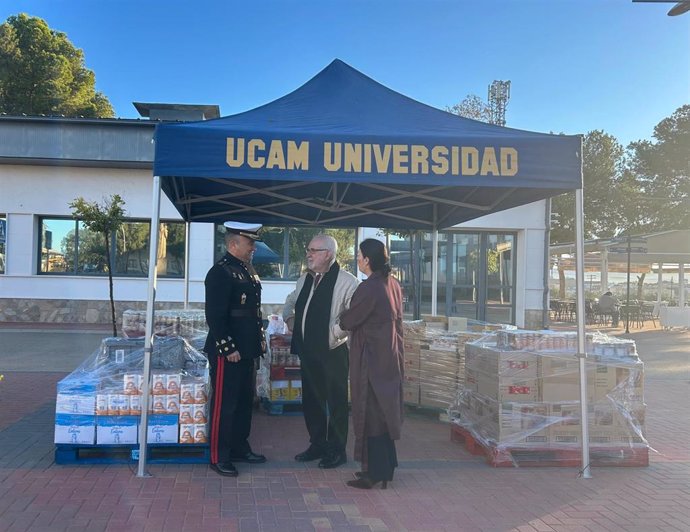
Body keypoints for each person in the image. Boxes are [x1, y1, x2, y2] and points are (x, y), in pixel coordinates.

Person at [283, 234, 359, 469]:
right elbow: (291, 299)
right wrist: (289, 317)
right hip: (308, 351)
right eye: (308, 249)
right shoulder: (305, 278)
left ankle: (337, 451)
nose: (309, 254)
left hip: (333, 351)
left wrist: (335, 333)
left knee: (336, 403)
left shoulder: (348, 282)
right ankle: (317, 444)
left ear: (328, 254)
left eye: (313, 250)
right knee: (312, 401)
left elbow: (354, 316)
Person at [339, 238, 404, 490]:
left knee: (371, 413)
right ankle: (384, 468)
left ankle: (374, 472)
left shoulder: (370, 288)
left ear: (368, 259)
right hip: (389, 356)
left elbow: (351, 319)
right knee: (383, 413)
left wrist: (341, 318)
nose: (357, 258)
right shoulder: (393, 284)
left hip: (371, 359)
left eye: (359, 255)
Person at [204, 221, 267, 477]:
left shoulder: (247, 269)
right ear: (233, 244)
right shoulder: (220, 272)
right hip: (228, 351)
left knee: (243, 403)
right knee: (225, 404)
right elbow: (215, 316)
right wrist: (227, 346)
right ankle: (219, 455)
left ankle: (241, 447)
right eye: (249, 242)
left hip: (247, 348)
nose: (253, 247)